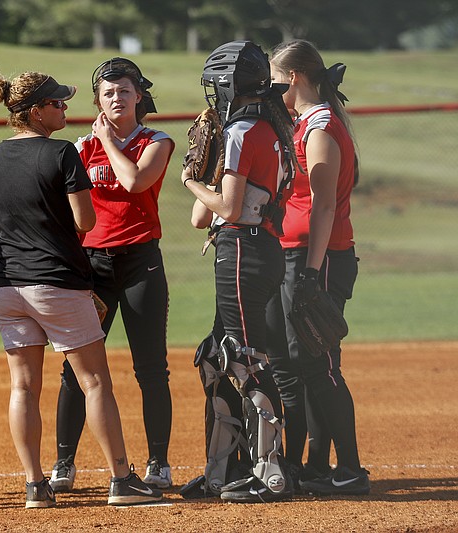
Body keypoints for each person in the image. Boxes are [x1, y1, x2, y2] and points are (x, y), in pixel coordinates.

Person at [0, 70, 163, 508]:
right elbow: (86, 222)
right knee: (95, 382)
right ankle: (121, 480)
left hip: (7, 288)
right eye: (57, 104)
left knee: (23, 388)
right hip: (57, 283)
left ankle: (35, 485)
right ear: (35, 112)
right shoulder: (61, 153)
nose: (64, 108)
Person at [48, 57, 175, 493]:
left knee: (151, 368)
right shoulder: (81, 147)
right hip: (93, 266)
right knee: (76, 369)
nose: (116, 98)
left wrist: (106, 140)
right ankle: (64, 462)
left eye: (124, 90)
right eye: (107, 93)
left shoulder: (156, 141)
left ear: (139, 95)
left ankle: (158, 462)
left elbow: (135, 181)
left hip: (141, 263)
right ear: (97, 100)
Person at [180, 40, 297, 503]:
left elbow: (226, 207)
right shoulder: (268, 127)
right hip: (251, 247)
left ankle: (270, 472)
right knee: (215, 357)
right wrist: (209, 178)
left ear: (229, 84)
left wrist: (191, 178)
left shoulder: (242, 130)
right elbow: (202, 218)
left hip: (243, 249)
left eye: (216, 85)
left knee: (243, 357)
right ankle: (223, 469)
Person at [269, 39, 369, 495]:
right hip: (302, 254)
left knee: (322, 362)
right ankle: (317, 465)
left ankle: (350, 470)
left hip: (321, 257)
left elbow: (325, 206)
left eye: (275, 79)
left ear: (294, 77)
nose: (272, 89)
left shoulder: (321, 125)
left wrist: (309, 273)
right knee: (307, 361)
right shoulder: (303, 122)